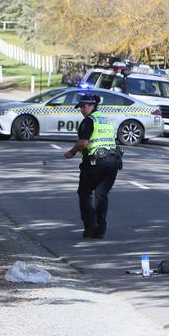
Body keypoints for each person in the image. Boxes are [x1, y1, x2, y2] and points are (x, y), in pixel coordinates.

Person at [64, 93, 121, 239]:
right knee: (101, 194)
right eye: (80, 107)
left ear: (92, 106)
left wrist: (71, 152)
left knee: (84, 193)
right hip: (113, 161)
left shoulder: (89, 121)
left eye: (84, 106)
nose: (82, 109)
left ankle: (90, 224)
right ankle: (100, 230)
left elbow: (83, 142)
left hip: (96, 162)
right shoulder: (104, 119)